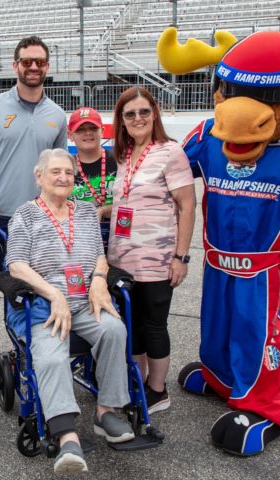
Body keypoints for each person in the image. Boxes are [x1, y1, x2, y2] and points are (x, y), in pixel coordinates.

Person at [7, 148, 134, 474]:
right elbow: (16, 265)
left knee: (114, 330)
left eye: (68, 172)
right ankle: (66, 437)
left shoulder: (87, 212)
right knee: (50, 356)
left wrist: (99, 280)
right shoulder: (26, 214)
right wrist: (53, 295)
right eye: (55, 172)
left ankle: (105, 412)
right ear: (39, 177)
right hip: (42, 305)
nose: (64, 177)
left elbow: (99, 257)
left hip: (83, 300)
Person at [0, 36, 67, 382]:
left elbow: (60, 166)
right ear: (15, 65)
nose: (33, 67)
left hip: (38, 219)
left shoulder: (56, 115)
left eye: (39, 61)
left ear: (47, 67)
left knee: (35, 286)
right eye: (26, 61)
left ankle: (27, 348)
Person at [107, 87, 196, 414]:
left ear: (154, 113)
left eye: (143, 111)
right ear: (122, 121)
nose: (137, 118)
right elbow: (127, 200)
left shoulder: (170, 151)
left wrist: (180, 257)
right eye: (129, 114)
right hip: (123, 259)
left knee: (154, 324)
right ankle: (140, 381)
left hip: (157, 259)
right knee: (132, 325)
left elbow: (187, 207)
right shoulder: (125, 153)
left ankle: (158, 391)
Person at [68, 107, 117, 250]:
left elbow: (133, 203)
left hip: (120, 242)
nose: (88, 133)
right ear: (70, 135)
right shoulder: (66, 167)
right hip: (80, 245)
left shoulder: (120, 161)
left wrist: (104, 210)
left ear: (102, 131)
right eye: (80, 129)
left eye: (92, 128)